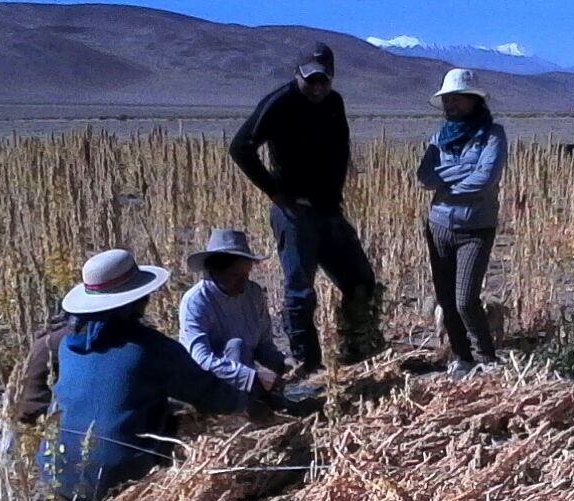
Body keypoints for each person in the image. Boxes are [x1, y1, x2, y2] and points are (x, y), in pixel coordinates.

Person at [37, 249, 242, 501]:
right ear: (137, 300)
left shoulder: (69, 346)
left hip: (55, 471)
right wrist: (249, 404)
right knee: (176, 427)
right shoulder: (151, 349)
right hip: (115, 480)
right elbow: (213, 396)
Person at [230, 42, 384, 372]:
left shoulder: (334, 102)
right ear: (296, 74)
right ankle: (307, 368)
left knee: (361, 282)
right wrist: (274, 192)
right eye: (310, 79)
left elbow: (340, 147)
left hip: (329, 211)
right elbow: (241, 147)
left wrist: (336, 190)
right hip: (295, 214)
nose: (317, 87)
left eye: (323, 80)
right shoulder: (280, 102)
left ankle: (359, 350)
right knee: (300, 294)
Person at [416, 68, 508, 377]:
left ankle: (487, 358)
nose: (450, 105)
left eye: (456, 98)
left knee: (466, 299)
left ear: (473, 100)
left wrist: (446, 184)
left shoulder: (493, 134)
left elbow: (486, 177)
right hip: (438, 226)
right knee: (445, 300)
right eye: (446, 99)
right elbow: (424, 177)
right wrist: (459, 176)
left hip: (475, 228)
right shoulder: (438, 138)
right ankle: (461, 358)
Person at [179, 228, 288, 404]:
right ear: (215, 270)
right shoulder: (196, 301)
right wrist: (252, 377)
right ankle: (243, 410)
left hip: (246, 381)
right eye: (235, 275)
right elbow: (201, 360)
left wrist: (284, 363)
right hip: (211, 387)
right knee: (236, 346)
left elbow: (263, 346)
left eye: (246, 274)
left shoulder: (253, 293)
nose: (243, 282)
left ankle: (260, 403)